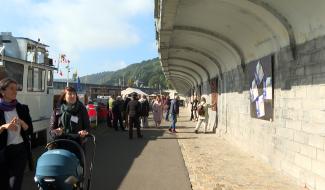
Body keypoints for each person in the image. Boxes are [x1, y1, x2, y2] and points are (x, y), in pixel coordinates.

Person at [0, 78, 33, 190]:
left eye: (16, 89)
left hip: (20, 150)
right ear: (2, 91)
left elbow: (30, 130)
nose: (15, 91)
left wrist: (22, 123)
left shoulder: (22, 108)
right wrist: (4, 126)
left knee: (15, 183)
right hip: (3, 152)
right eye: (11, 88)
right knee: (5, 184)